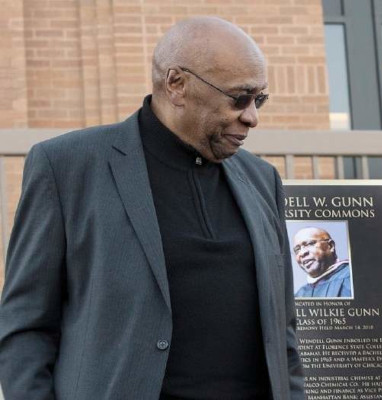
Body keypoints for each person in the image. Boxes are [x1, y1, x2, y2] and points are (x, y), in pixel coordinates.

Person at [0, 17, 304, 399]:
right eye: (238, 98)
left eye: (259, 100)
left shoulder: (262, 179)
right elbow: (25, 326)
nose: (252, 117)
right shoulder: (67, 166)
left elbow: (284, 333)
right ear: (176, 84)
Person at [292, 227, 353, 298]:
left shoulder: (351, 277)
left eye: (310, 244)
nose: (302, 253)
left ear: (330, 246)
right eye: (297, 250)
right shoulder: (300, 294)